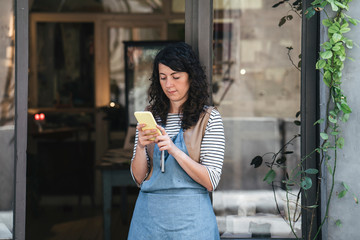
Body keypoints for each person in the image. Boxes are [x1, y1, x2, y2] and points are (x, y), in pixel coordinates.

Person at [128, 42, 225, 239]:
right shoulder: (151, 116)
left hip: (193, 222)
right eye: (163, 78)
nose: (169, 84)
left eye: (176, 77)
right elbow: (139, 178)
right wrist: (140, 146)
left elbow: (210, 181)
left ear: (191, 77)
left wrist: (174, 150)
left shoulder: (209, 118)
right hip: (149, 220)